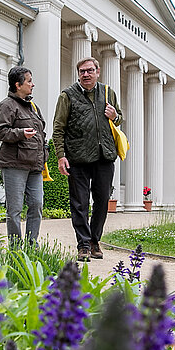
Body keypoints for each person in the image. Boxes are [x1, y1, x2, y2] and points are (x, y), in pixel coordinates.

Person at [53, 57, 123, 262]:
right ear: (78, 74)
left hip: (104, 157)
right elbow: (58, 128)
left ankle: (94, 241)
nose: (86, 74)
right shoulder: (67, 95)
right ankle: (83, 244)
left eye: (90, 70)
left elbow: (119, 119)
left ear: (98, 71)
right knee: (80, 204)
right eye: (82, 71)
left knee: (102, 201)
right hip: (78, 158)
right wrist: (60, 156)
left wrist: (115, 116)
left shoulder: (109, 92)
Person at [0, 66, 48, 245]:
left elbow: (41, 133)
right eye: (29, 81)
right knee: (14, 210)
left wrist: (44, 152)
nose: (33, 85)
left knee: (37, 205)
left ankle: (31, 245)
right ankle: (16, 248)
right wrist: (21, 133)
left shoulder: (33, 107)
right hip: (14, 164)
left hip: (35, 166)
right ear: (18, 84)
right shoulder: (6, 105)